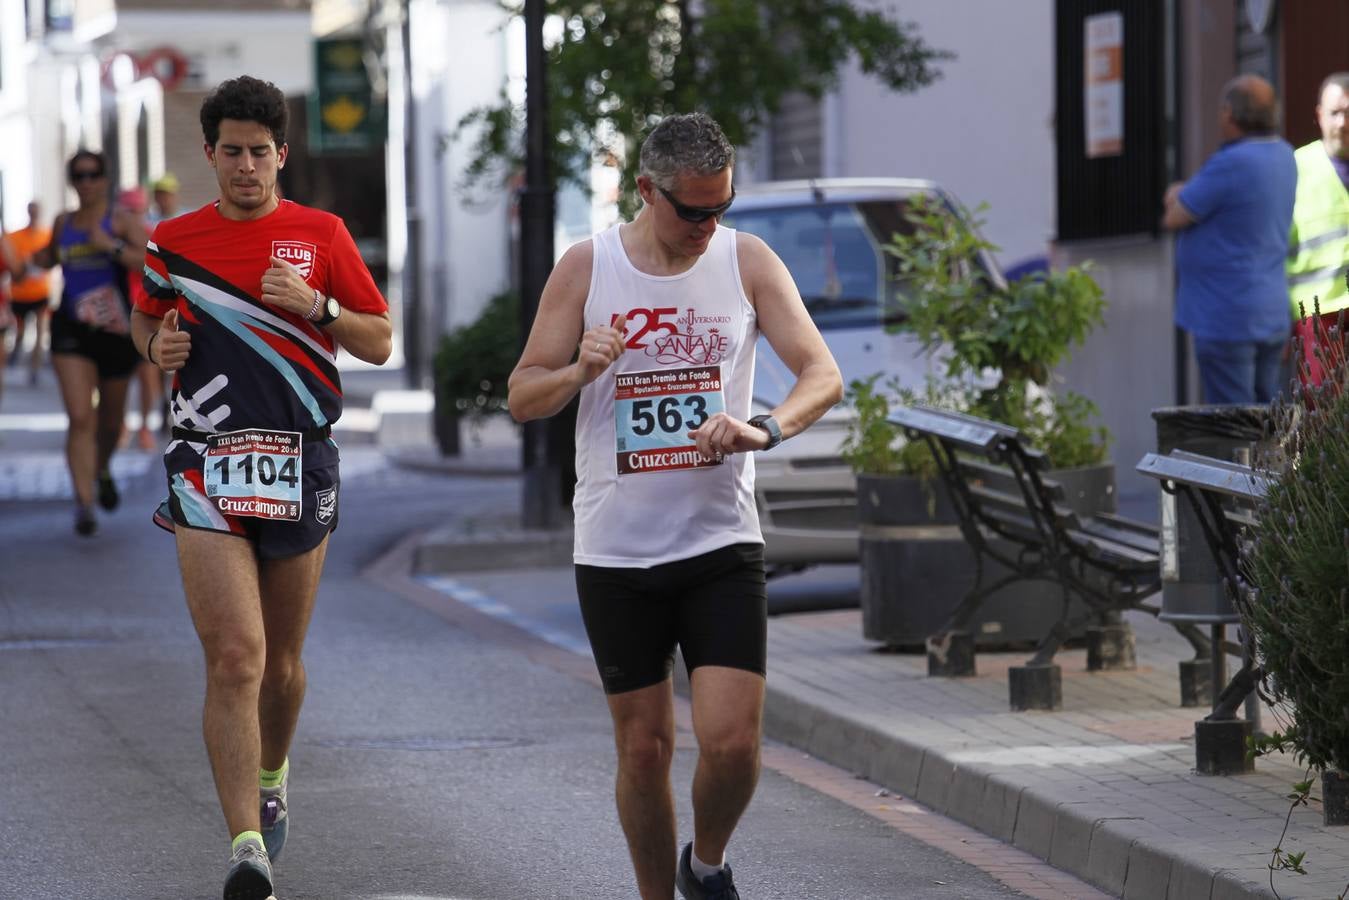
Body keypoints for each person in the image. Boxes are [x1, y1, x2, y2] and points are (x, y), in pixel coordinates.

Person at [508, 112, 842, 900]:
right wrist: (579, 372)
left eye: (720, 206)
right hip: (617, 552)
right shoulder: (586, 268)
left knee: (730, 744)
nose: (708, 224)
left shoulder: (745, 260)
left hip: (719, 541)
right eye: (692, 210)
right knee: (646, 749)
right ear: (644, 190)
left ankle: (707, 863)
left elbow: (821, 374)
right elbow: (524, 397)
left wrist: (762, 427)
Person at [130, 75, 391, 900]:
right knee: (235, 658)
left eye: (260, 152)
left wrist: (317, 305)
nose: (247, 166)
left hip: (298, 456)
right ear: (209, 154)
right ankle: (247, 845)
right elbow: (148, 316)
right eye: (231, 152)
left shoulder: (321, 233)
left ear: (281, 154)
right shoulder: (172, 241)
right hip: (206, 459)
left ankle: (273, 771)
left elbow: (379, 340)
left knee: (280, 666)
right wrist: (153, 348)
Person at [29, 150, 147, 536]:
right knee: (81, 417)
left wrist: (109, 246)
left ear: (104, 178)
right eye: (78, 176)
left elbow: (151, 261)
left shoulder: (121, 220)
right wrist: (38, 256)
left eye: (93, 174)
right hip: (71, 329)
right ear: (72, 181)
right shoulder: (64, 222)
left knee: (111, 423)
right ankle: (84, 503)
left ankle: (101, 468)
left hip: (116, 332)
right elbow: (47, 259)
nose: (86, 182)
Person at [1162, 74, 1297, 405]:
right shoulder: (1284, 155)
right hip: (1270, 311)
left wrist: (1176, 192)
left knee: (1233, 425)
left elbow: (1175, 216)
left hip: (1226, 315)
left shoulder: (1231, 162)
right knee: (1268, 420)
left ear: (1228, 114)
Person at [1287, 72, 1349, 384]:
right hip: (1317, 317)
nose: (1342, 123)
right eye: (1335, 113)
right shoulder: (1297, 168)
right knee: (1323, 411)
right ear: (1319, 115)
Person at [115, 187, 161, 450]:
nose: (133, 217)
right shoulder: (113, 236)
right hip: (118, 314)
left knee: (147, 376)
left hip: (145, 312)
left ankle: (144, 426)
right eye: (128, 211)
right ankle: (121, 424)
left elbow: (146, 263)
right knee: (118, 378)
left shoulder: (151, 235)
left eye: (137, 211)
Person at [4, 202, 54, 385]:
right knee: (20, 332)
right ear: (28, 213)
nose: (34, 216)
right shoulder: (15, 237)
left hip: (41, 292)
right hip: (20, 294)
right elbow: (12, 265)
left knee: (41, 331)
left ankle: (35, 369)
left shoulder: (47, 235)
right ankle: (14, 352)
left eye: (37, 212)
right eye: (32, 212)